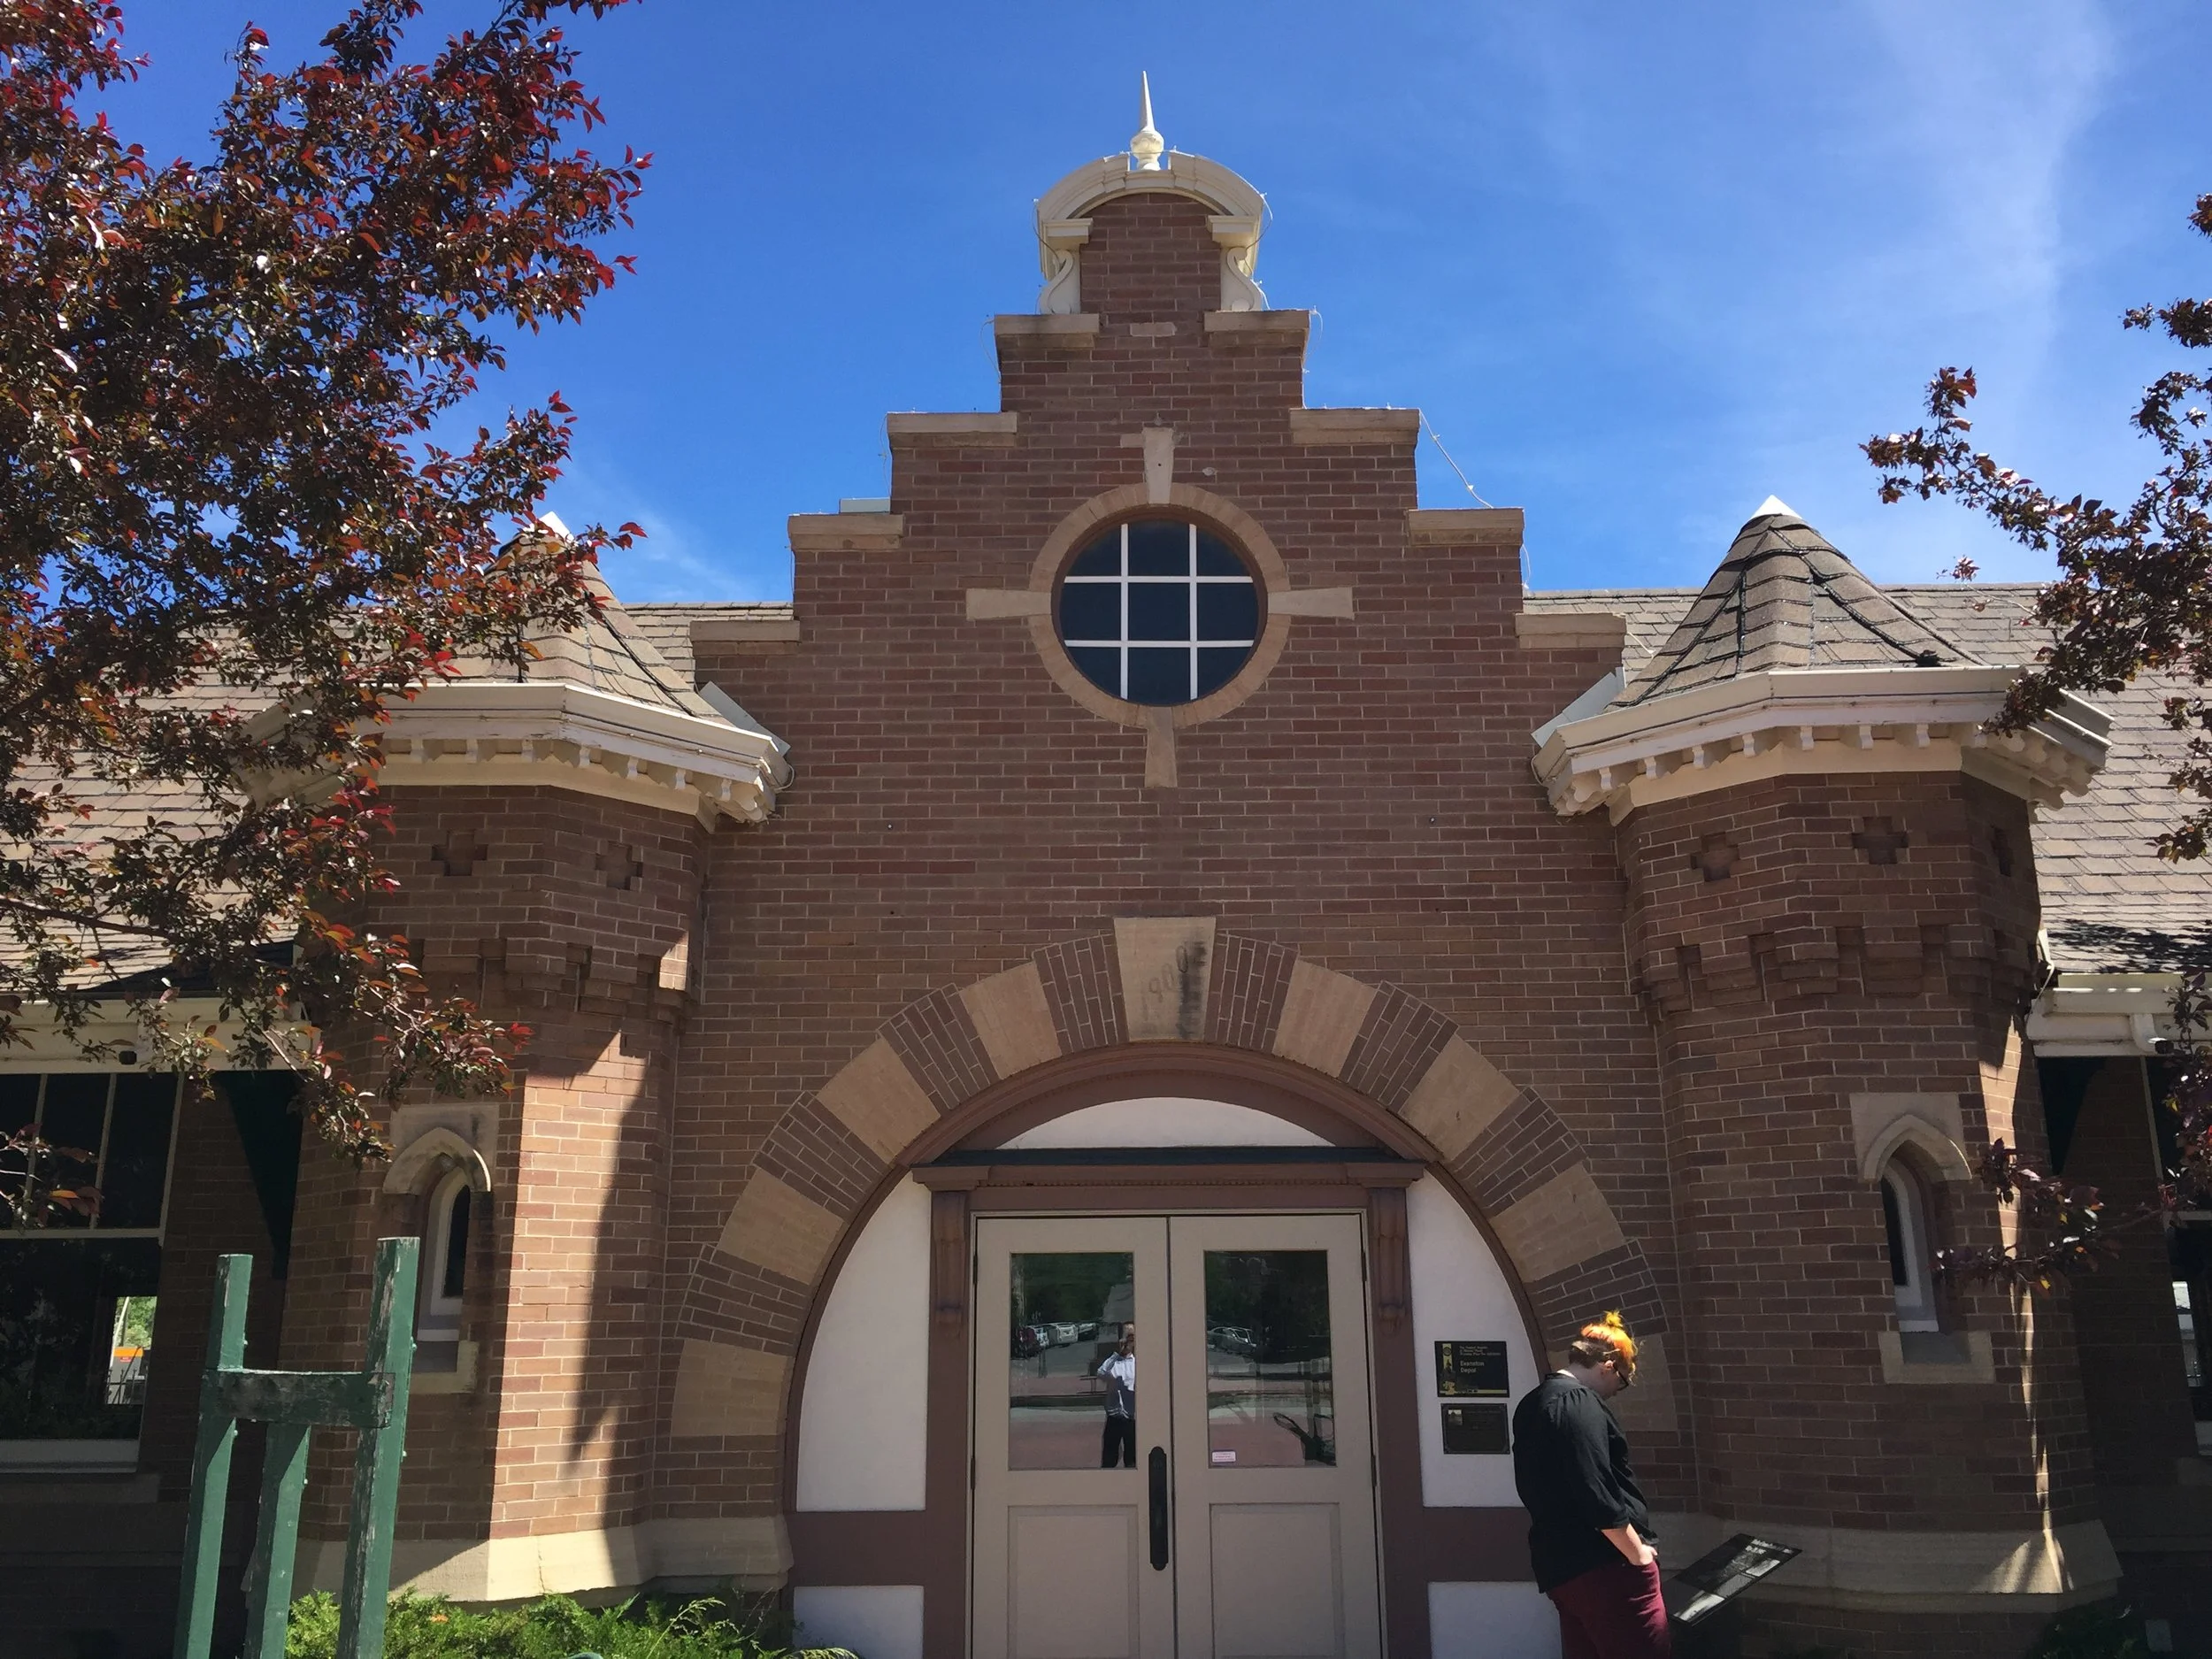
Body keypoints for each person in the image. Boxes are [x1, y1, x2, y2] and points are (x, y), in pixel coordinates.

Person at [1511, 1310, 1670, 1659]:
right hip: (1608, 1567)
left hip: (1561, 1567)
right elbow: (1595, 1488)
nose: (1615, 1392)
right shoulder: (1579, 1402)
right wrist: (1638, 1554)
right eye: (1621, 1381)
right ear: (1607, 1366)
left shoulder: (1532, 1404)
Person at [1094, 1323, 1136, 1468]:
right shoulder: (1112, 1362)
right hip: (1114, 1417)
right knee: (1109, 1458)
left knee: (1132, 1459)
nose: (1127, 1342)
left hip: (1131, 1417)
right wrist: (1117, 1354)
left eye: (1131, 1338)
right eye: (1125, 1337)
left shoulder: (1137, 1363)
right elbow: (1101, 1373)